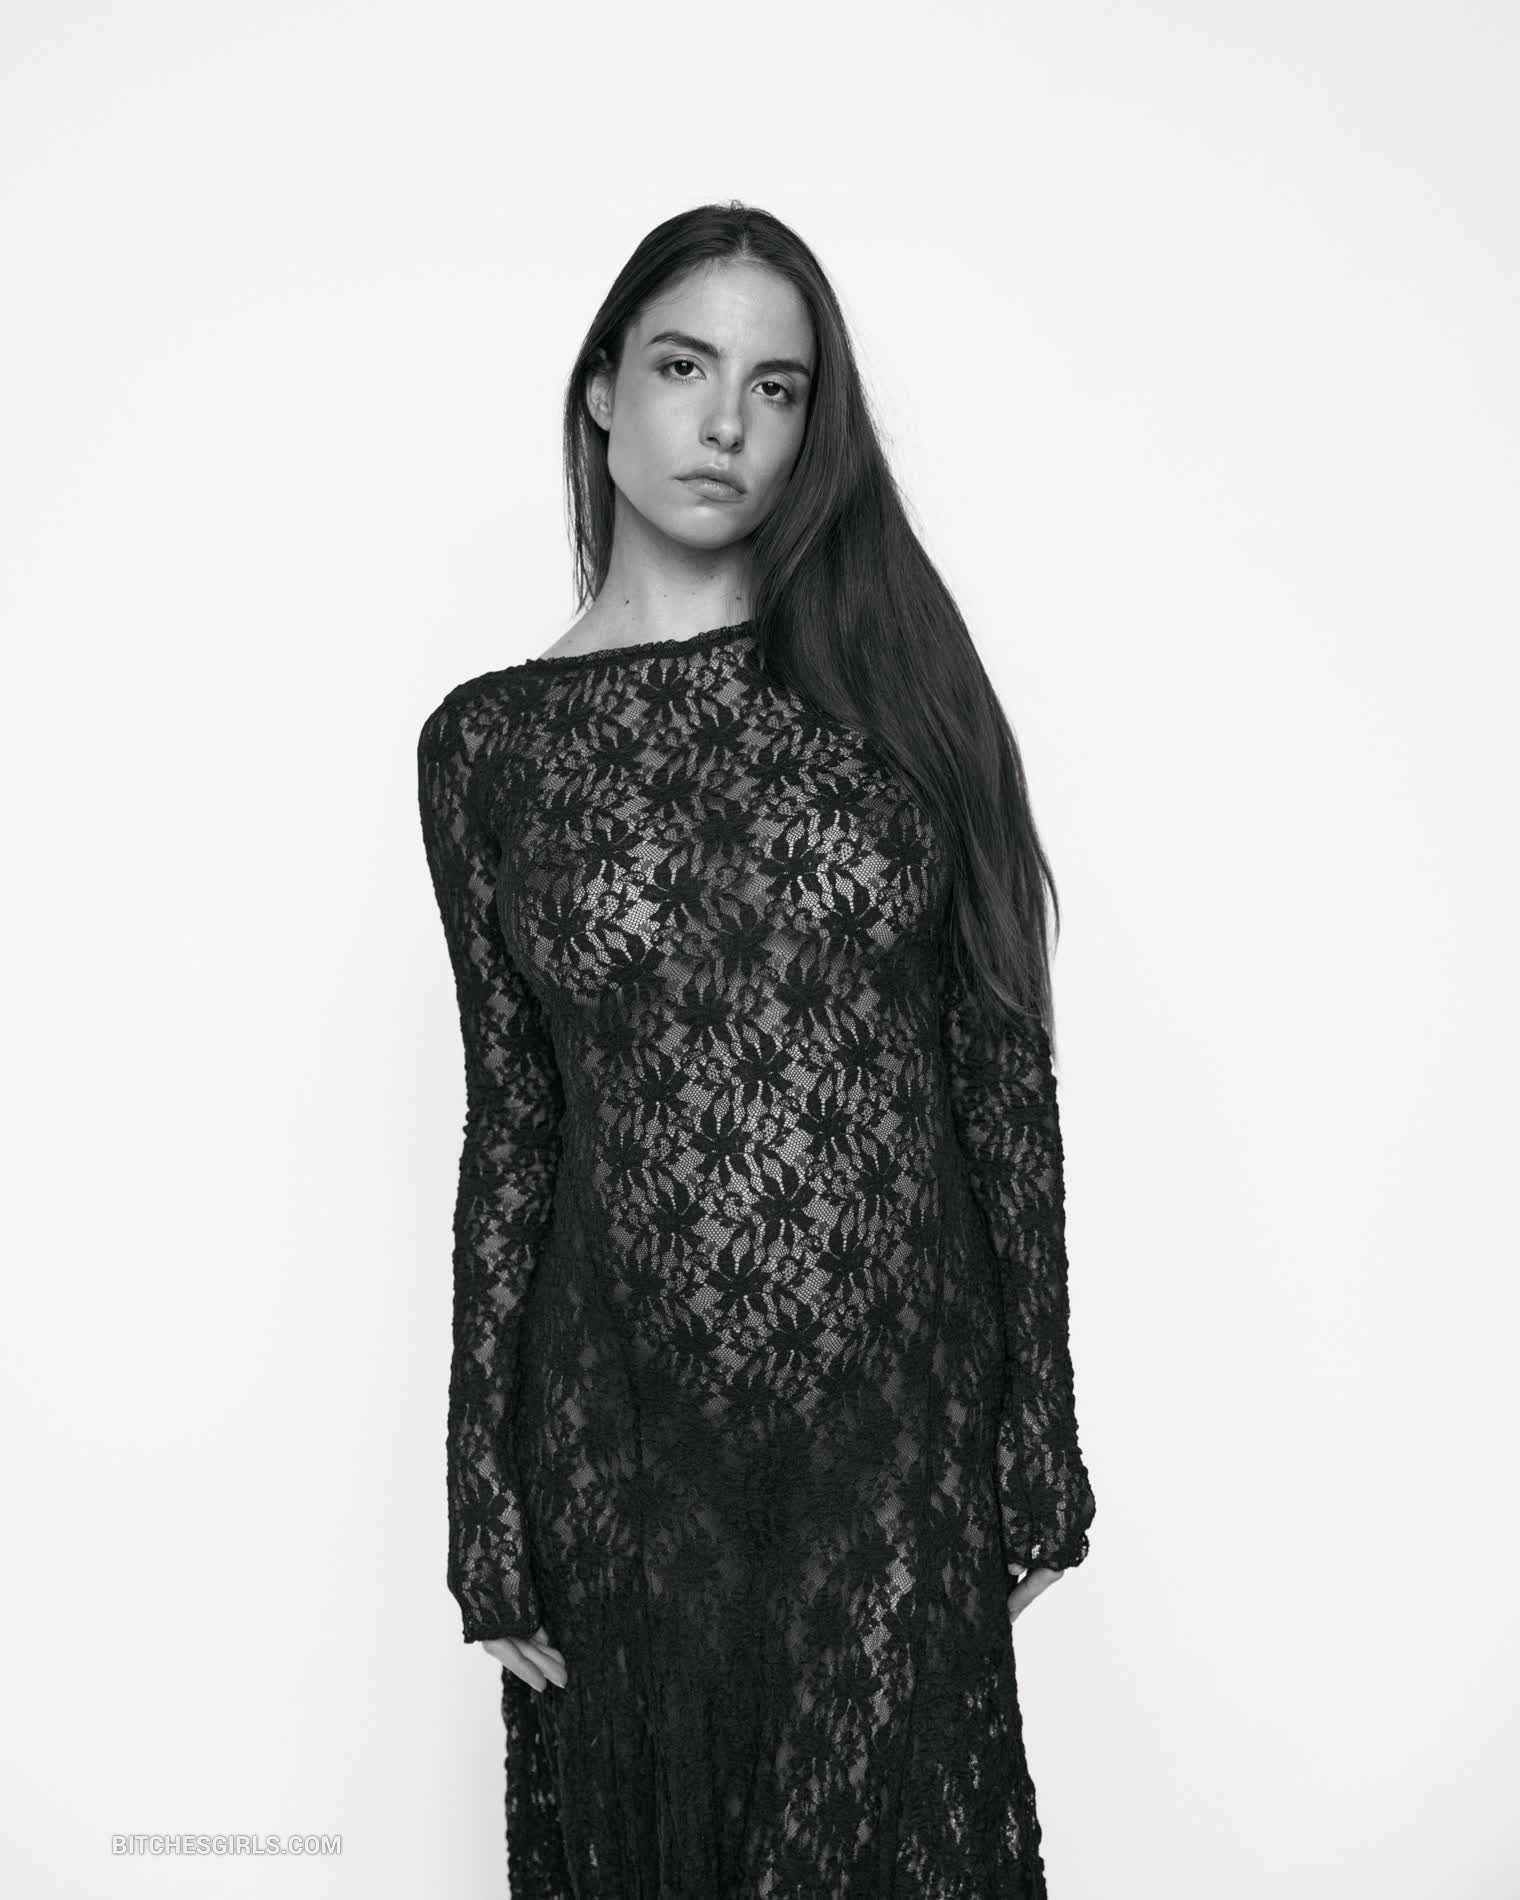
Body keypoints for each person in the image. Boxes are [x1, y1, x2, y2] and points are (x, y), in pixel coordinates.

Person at [417, 200, 1097, 1898]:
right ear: (602, 390)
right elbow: (515, 1124)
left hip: (893, 1437)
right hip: (625, 1451)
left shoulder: (898, 685)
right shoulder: (486, 747)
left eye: (777, 387)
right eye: (683, 367)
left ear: (813, 424)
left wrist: (1040, 1418)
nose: (726, 422)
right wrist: (482, 1491)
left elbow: (999, 1062)